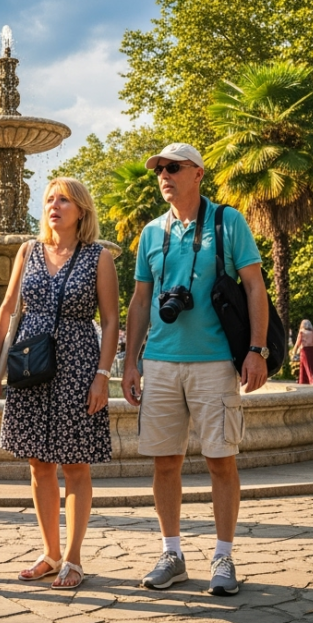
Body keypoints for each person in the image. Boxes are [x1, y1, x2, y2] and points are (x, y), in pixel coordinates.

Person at [120, 143, 269, 597]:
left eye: (173, 168)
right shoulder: (151, 232)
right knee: (165, 463)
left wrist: (257, 349)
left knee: (221, 461)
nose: (163, 175)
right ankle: (173, 553)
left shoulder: (228, 221)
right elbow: (141, 301)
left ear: (198, 173)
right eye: (159, 169)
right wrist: (130, 362)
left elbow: (255, 288)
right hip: (161, 362)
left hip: (214, 361)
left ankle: (223, 556)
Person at [0, 178, 120, 590]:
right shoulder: (28, 251)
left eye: (63, 200)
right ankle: (50, 553)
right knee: (38, 463)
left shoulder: (99, 257)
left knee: (75, 463)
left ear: (81, 210)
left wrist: (102, 375)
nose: (54, 206)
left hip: (79, 363)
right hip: (30, 362)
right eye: (49, 200)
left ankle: (74, 560)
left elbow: (111, 320)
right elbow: (7, 310)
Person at [291, 320, 313, 385]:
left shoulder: (302, 332)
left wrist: (294, 351)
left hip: (305, 350)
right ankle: (312, 379)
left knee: (305, 366)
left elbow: (298, 342)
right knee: (312, 366)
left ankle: (308, 380)